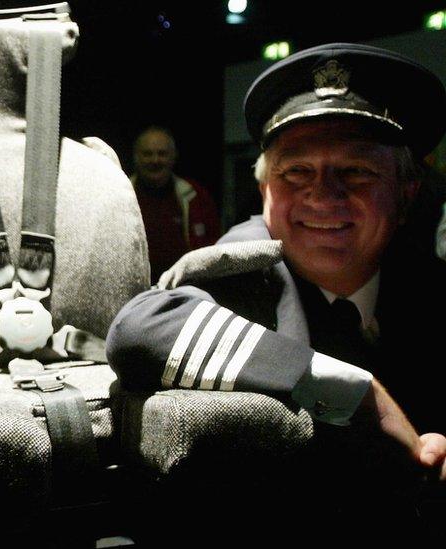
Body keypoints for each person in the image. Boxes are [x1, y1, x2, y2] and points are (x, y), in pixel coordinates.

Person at [107, 43, 446, 501]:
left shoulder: (428, 283)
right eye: (296, 172)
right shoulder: (246, 271)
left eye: (357, 171)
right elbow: (137, 329)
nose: (324, 196)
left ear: (407, 193)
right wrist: (359, 396)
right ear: (264, 189)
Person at [131, 126, 221, 280]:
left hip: (185, 287)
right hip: (135, 288)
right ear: (136, 157)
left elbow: (214, 245)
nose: (155, 160)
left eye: (162, 154)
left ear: (173, 156)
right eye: (147, 154)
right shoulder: (121, 196)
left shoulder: (196, 195)